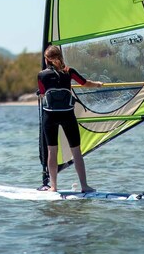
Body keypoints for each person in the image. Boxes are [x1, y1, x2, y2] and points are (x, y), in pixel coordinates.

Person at [37, 45, 103, 192]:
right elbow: (85, 83)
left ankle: (53, 187)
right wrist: (97, 84)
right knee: (76, 152)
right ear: (60, 57)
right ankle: (84, 186)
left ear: (46, 59)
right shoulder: (69, 71)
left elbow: (42, 93)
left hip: (50, 116)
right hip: (67, 115)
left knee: (52, 151)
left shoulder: (42, 75)